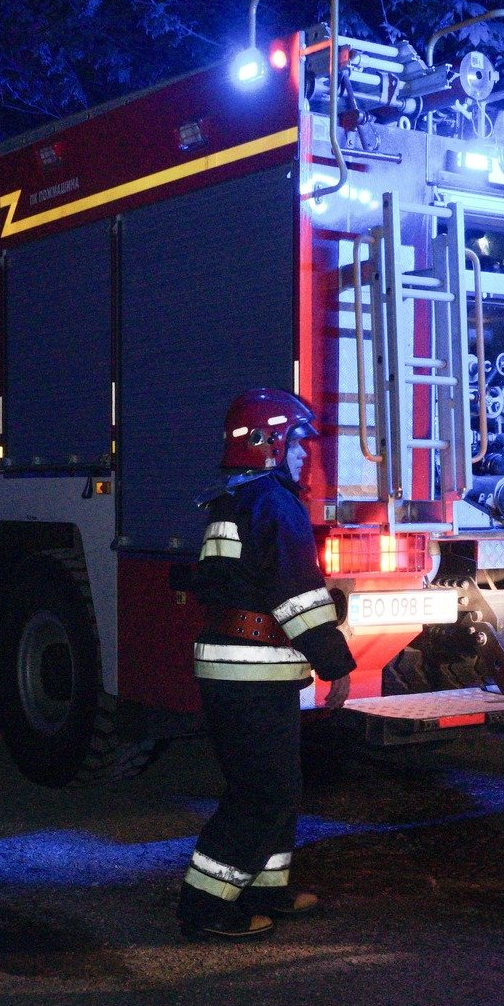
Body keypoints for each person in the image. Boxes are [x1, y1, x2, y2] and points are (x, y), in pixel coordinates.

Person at [177, 388, 356, 941]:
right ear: (267, 443)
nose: (306, 456)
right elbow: (298, 597)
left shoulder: (234, 501)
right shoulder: (274, 505)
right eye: (297, 444)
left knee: (277, 788)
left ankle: (264, 890)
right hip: (252, 675)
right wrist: (335, 663)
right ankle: (206, 908)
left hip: (242, 673)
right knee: (261, 795)